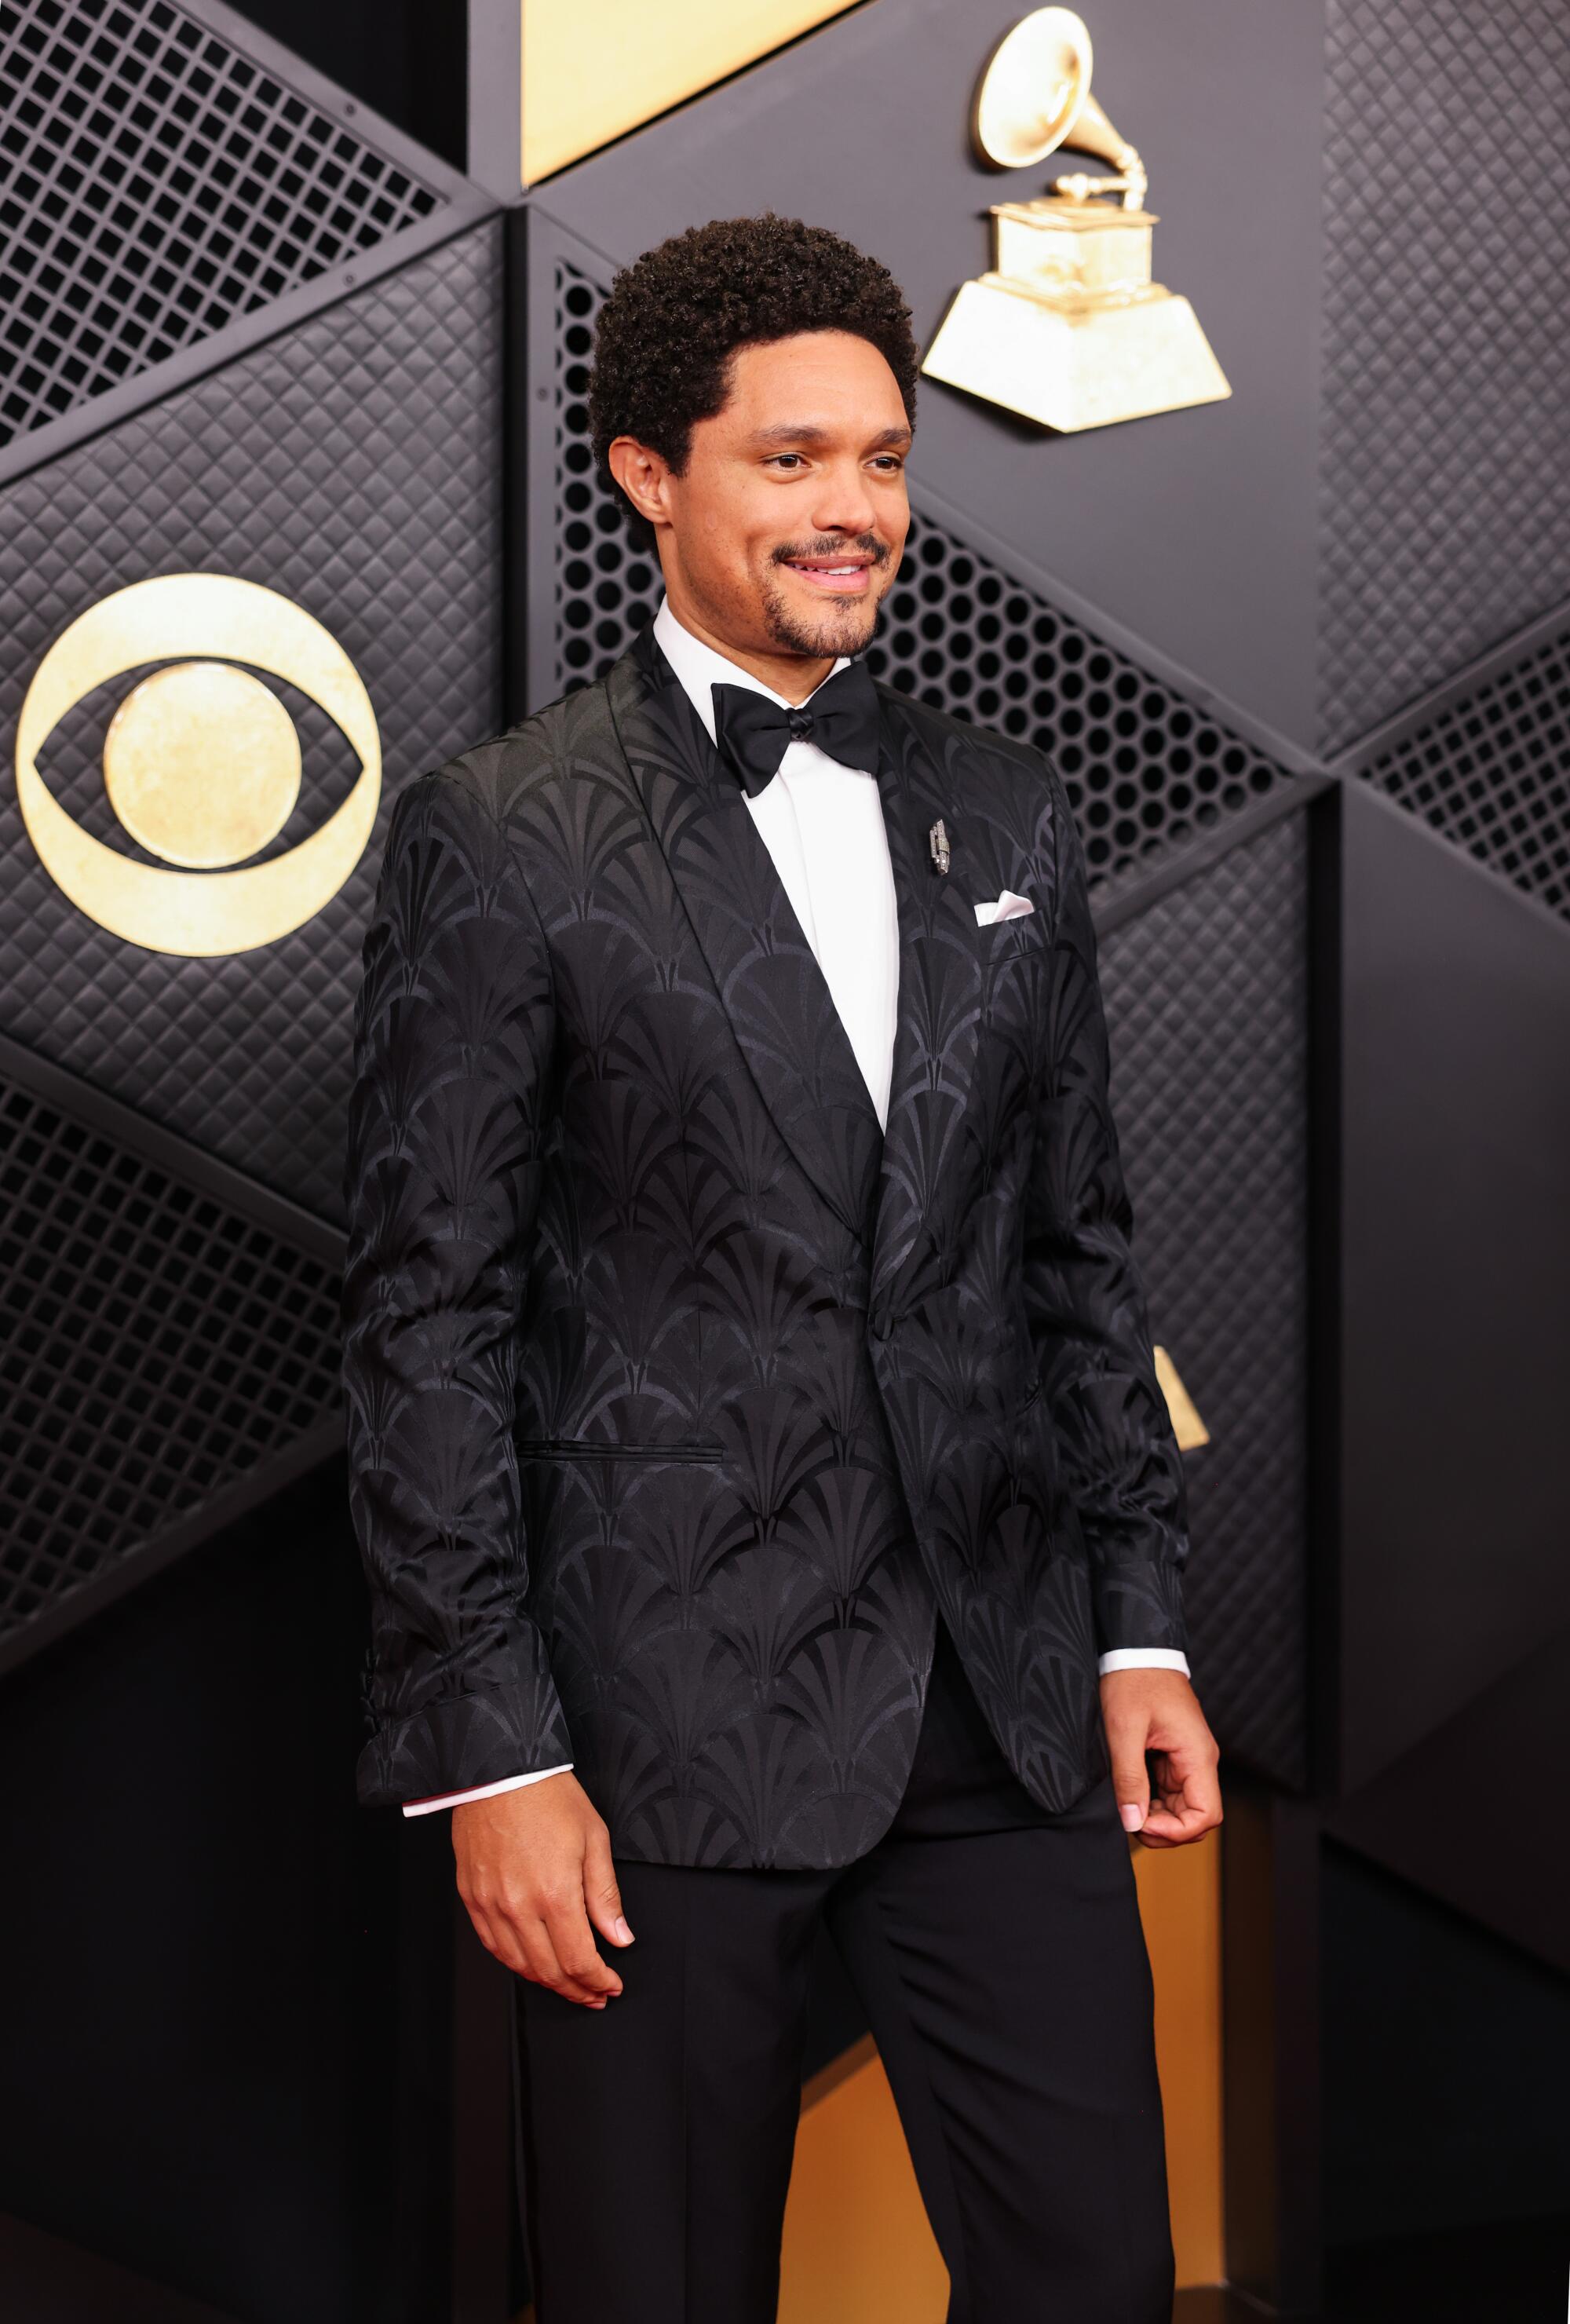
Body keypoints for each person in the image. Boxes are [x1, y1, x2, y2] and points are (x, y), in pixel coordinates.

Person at [341, 212, 1222, 2324]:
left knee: (1096, 2280)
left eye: (888, 463)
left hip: (998, 1713)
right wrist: (493, 1749)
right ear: (652, 472)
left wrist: (1133, 1632)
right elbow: (424, 1316)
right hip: (652, 1734)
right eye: (794, 459)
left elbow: (1072, 1254)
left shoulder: (1008, 814)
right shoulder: (505, 827)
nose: (857, 514)